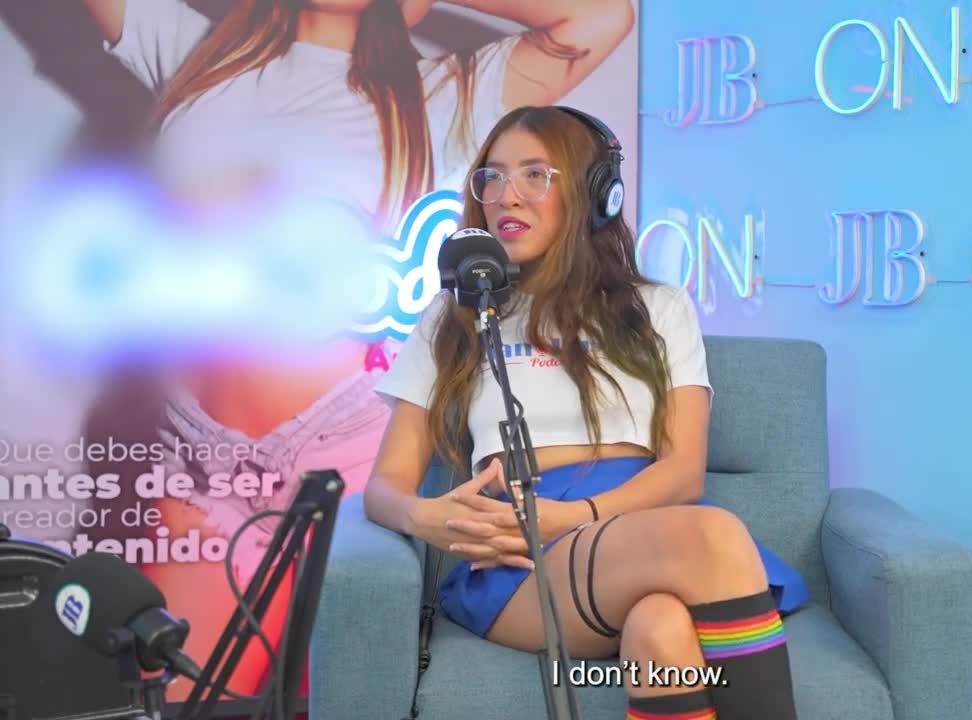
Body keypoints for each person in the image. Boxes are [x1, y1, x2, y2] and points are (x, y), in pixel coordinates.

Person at [74, 0, 636, 697]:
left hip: (349, 455)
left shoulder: (449, 91)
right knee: (173, 701)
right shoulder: (197, 53)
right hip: (201, 458)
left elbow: (600, 17)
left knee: (348, 697)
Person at [366, 105, 809, 720]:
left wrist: (574, 516)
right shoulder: (455, 315)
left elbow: (683, 472)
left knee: (661, 629)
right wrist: (426, 516)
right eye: (493, 177)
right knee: (712, 536)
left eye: (535, 174)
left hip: (641, 525)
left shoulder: (660, 308)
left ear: (596, 193)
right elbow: (384, 486)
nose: (506, 195)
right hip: (520, 557)